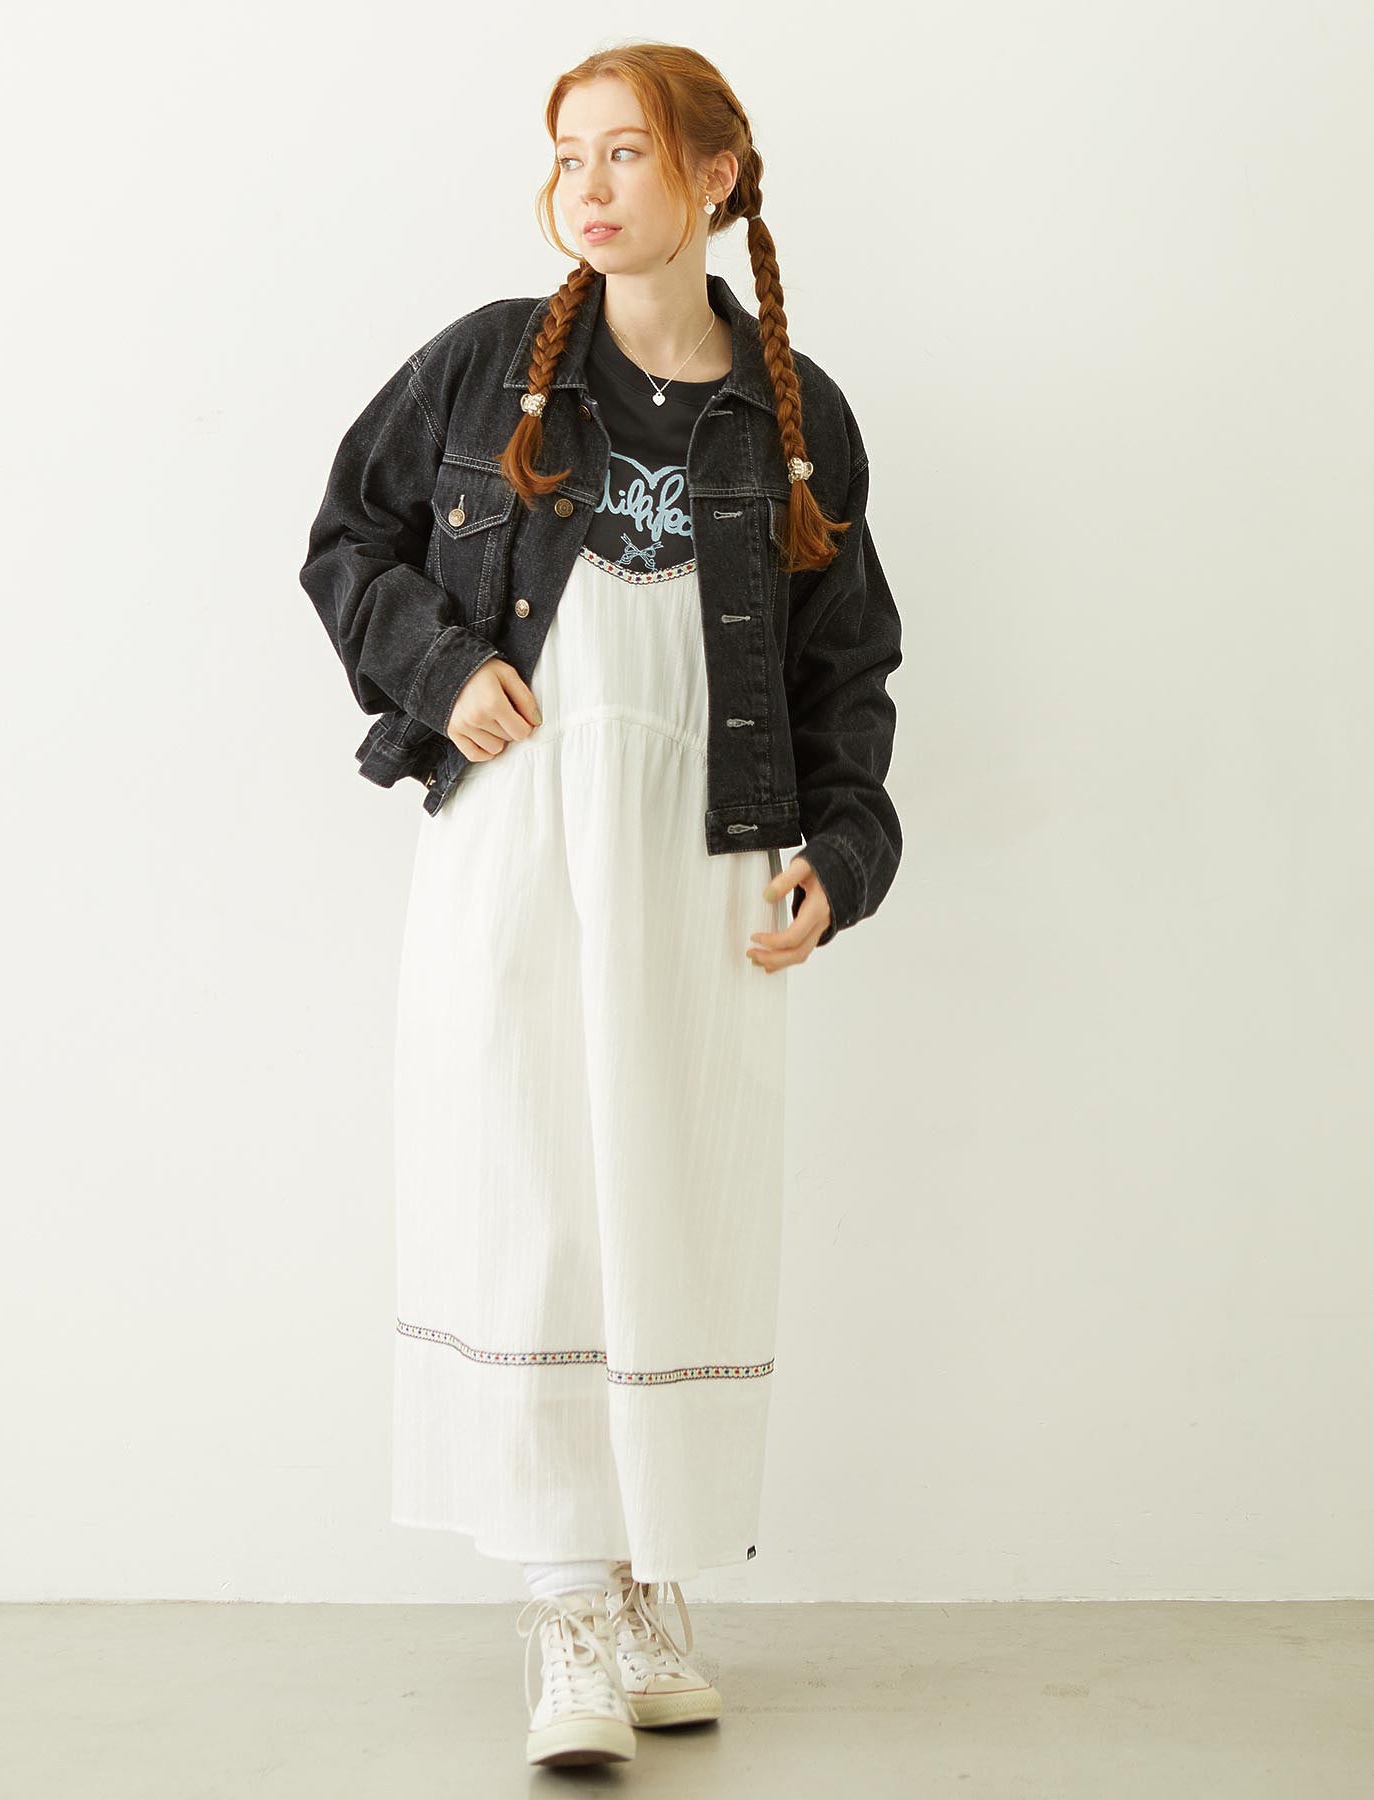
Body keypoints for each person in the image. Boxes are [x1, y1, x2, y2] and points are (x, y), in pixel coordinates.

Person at [298, 41, 903, 1771]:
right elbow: (348, 540)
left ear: (717, 175)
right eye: (568, 153)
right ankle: (566, 1599)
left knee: (671, 1203)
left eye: (627, 152)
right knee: (533, 1195)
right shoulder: (490, 364)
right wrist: (441, 667)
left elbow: (843, 664)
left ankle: (643, 1577)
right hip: (514, 848)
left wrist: (840, 857)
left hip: (704, 861)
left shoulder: (794, 415)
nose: (588, 184)